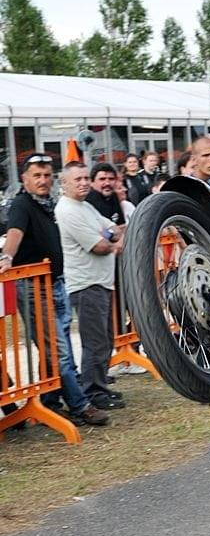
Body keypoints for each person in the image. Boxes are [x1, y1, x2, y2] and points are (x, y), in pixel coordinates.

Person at [0, 154, 109, 426]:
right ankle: (79, 405)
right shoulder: (21, 205)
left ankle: (50, 400)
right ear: (24, 179)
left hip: (57, 282)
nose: (43, 180)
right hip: (34, 287)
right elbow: (14, 232)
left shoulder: (48, 204)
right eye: (37, 175)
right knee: (58, 349)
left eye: (47, 175)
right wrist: (6, 257)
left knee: (57, 349)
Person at [55, 161, 126, 411]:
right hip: (86, 283)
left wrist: (111, 237)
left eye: (86, 178)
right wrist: (112, 242)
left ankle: (100, 386)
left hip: (101, 281)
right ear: (64, 183)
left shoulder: (85, 206)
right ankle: (93, 391)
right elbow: (100, 245)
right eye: (78, 179)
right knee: (94, 341)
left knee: (105, 338)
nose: (84, 183)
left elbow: (113, 228)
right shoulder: (67, 210)